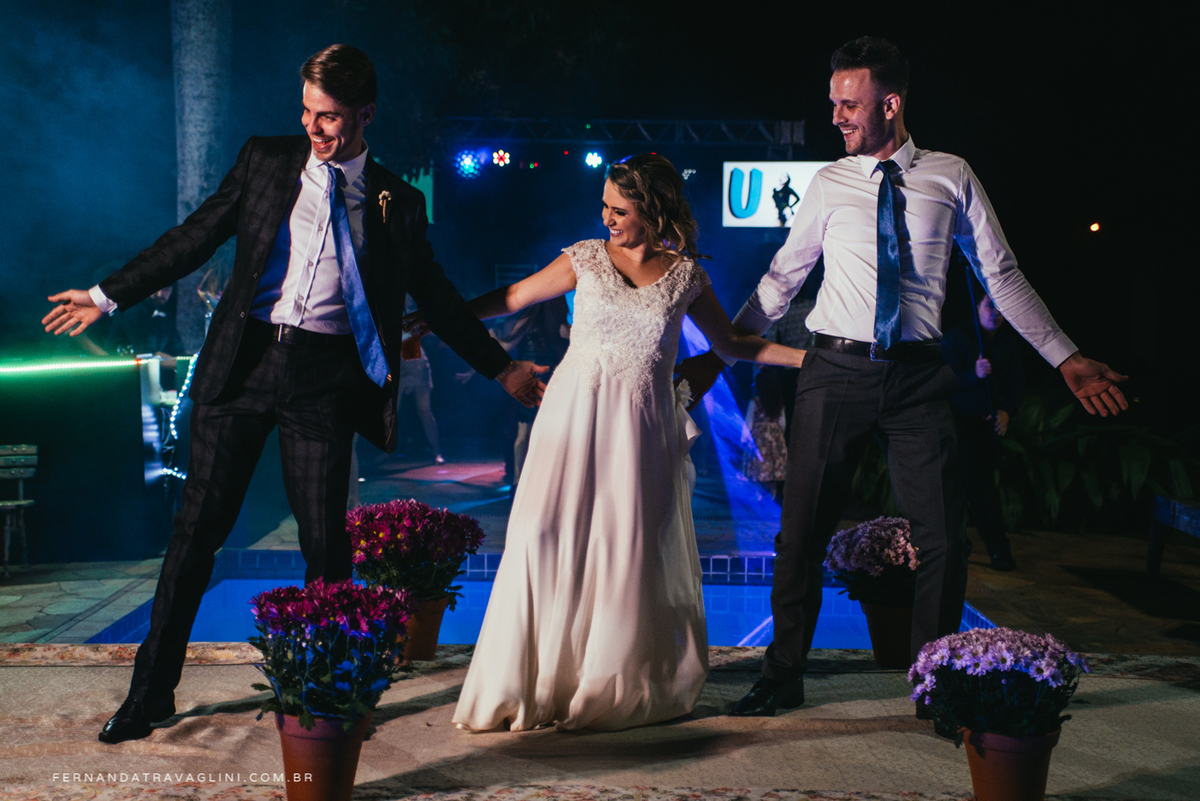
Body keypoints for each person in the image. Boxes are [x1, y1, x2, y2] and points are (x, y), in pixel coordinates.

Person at [41, 44, 544, 744]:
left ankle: (326, 694)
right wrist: (106, 295)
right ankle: (149, 693)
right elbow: (193, 237)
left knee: (325, 545)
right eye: (307, 111)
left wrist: (502, 368)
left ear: (366, 114)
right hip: (244, 364)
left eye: (329, 116)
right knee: (195, 534)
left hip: (323, 380)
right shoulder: (266, 160)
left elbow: (441, 300)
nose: (313, 127)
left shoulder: (399, 204)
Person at [676, 36, 1127, 719]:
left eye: (849, 104)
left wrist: (1065, 357)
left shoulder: (952, 176)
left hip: (918, 380)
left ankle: (935, 682)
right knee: (800, 534)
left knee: (943, 537)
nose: (836, 116)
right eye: (833, 102)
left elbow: (1001, 276)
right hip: (834, 371)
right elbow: (780, 281)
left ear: (890, 104)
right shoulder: (829, 183)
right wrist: (719, 352)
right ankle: (783, 673)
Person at [449, 154, 807, 732]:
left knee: (627, 550)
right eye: (604, 206)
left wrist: (811, 360)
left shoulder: (686, 276)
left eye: (619, 209)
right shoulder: (584, 257)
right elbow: (513, 297)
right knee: (542, 537)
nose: (607, 217)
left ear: (652, 209)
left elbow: (735, 344)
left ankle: (607, 683)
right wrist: (444, 319)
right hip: (571, 420)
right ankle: (533, 682)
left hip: (641, 430)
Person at [941, 292, 1024, 570]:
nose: (996, 313)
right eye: (990, 306)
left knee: (984, 492)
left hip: (984, 427)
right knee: (952, 491)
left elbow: (1016, 383)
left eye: (1001, 307)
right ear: (977, 306)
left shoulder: (1007, 343)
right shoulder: (958, 338)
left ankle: (999, 551)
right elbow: (941, 380)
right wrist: (972, 374)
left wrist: (1006, 411)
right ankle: (948, 550)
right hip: (955, 425)